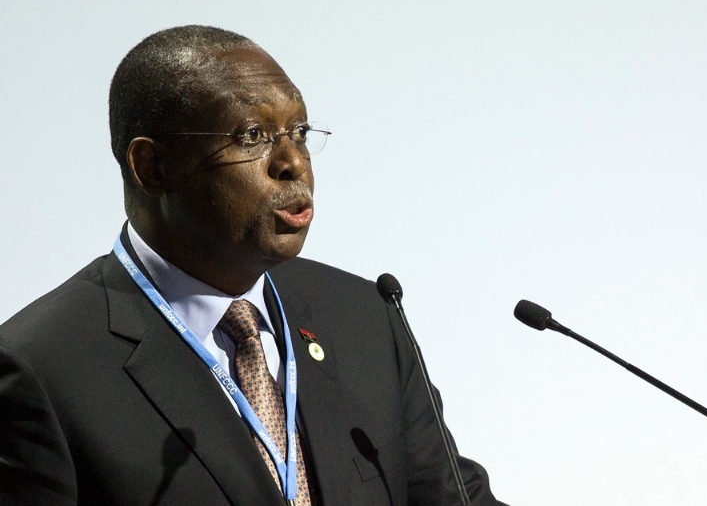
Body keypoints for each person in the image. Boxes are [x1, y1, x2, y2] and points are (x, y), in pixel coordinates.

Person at [0, 25, 506, 506]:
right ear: (153, 167)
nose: (293, 162)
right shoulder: (40, 369)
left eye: (300, 131)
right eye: (252, 135)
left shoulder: (367, 319)